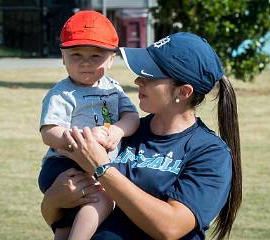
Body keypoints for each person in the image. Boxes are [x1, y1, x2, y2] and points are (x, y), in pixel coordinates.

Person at [43, 32, 242, 240]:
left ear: (183, 92)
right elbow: (58, 217)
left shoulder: (210, 153)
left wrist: (102, 168)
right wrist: (53, 201)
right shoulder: (123, 130)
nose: (138, 80)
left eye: (150, 76)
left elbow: (170, 227)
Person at [38, 10, 139, 240]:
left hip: (97, 164)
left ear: (112, 59)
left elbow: (131, 116)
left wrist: (117, 130)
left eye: (96, 56)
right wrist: (80, 140)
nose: (85, 62)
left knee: (65, 224)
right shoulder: (62, 93)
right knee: (104, 198)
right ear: (62, 57)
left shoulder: (112, 88)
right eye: (76, 55)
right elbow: (49, 132)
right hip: (64, 164)